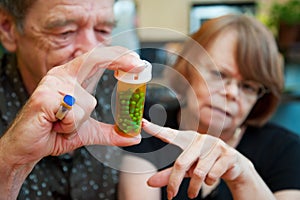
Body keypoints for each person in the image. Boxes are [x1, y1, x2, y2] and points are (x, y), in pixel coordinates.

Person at [120, 14, 300, 199]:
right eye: (219, 74)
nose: (232, 93)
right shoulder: (148, 126)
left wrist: (243, 177)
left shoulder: (286, 150)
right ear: (188, 70)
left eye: (248, 86)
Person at [0, 0, 144, 199]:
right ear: (8, 29)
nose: (90, 51)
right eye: (64, 32)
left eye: (102, 30)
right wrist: (10, 162)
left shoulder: (120, 90)